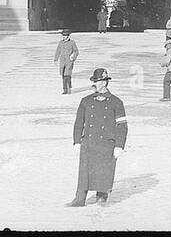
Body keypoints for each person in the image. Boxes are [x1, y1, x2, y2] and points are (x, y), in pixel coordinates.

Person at [67, 68, 128, 207]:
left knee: (104, 172)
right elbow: (78, 123)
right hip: (88, 143)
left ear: (105, 82)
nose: (94, 84)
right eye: (93, 81)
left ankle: (102, 198)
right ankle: (79, 199)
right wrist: (77, 142)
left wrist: (119, 145)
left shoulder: (116, 102)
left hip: (107, 144)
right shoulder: (86, 101)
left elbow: (122, 126)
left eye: (97, 81)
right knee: (84, 173)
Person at [54, 29, 79, 94]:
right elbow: (58, 51)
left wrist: (73, 57)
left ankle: (68, 89)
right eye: (63, 35)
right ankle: (65, 89)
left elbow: (76, 51)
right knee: (63, 75)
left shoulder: (72, 42)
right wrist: (56, 59)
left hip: (69, 61)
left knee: (67, 75)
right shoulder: (61, 42)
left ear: (68, 36)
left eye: (65, 35)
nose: (64, 37)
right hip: (62, 61)